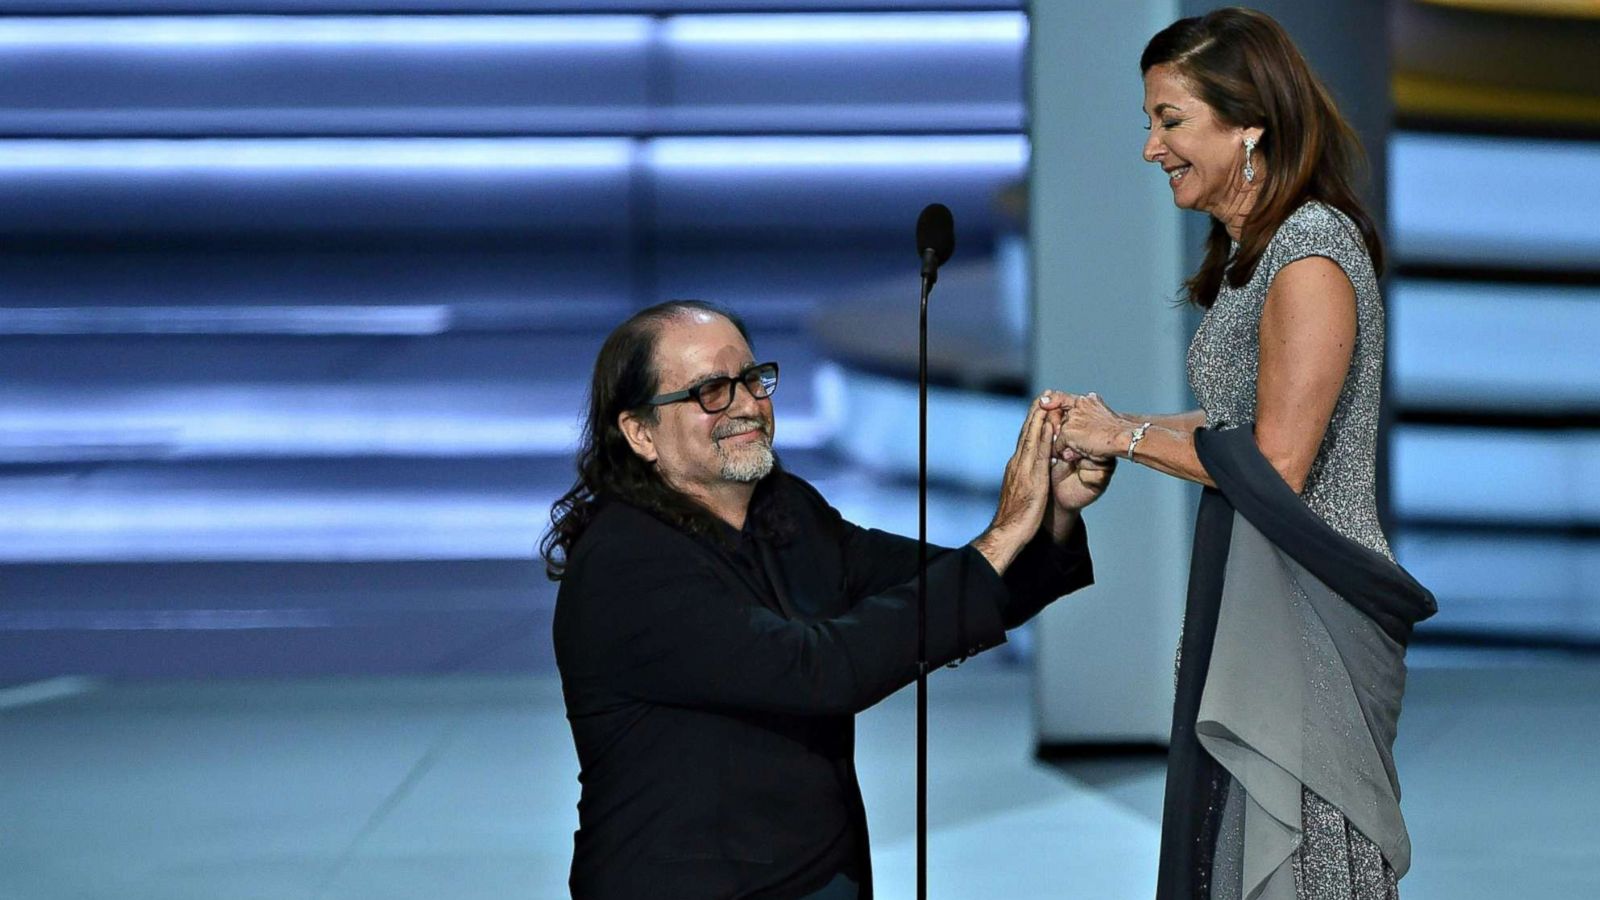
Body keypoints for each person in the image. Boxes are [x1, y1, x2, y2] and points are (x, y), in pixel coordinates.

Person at [1048, 8, 1436, 900]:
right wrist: (1113, 425)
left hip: (1309, 610)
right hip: (1253, 588)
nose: (1152, 148)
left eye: (1170, 120)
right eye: (1149, 123)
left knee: (1295, 864)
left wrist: (1125, 439)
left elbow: (1276, 464)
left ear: (1249, 122)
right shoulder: (1249, 255)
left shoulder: (1310, 255)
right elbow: (1237, 425)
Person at [544, 299, 1113, 900]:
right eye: (710, 390)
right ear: (639, 432)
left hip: (819, 877)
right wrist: (1002, 534)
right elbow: (816, 670)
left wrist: (1050, 515)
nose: (744, 404)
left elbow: (955, 585)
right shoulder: (625, 565)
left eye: (752, 379)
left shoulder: (787, 510)